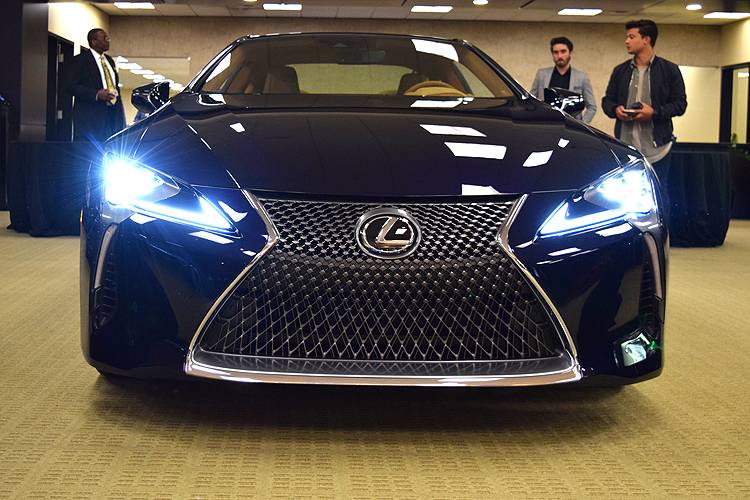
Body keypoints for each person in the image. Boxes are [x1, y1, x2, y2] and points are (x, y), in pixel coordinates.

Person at [601, 19, 687, 190]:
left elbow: (680, 104)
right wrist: (615, 110)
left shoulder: (670, 70)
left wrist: (654, 112)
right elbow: (607, 101)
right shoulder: (620, 71)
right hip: (625, 147)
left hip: (659, 149)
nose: (626, 41)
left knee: (658, 193)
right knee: (624, 194)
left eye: (631, 37)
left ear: (646, 39)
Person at [66, 29, 126, 142]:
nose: (108, 41)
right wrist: (96, 94)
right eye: (104, 38)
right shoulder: (81, 60)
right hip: (91, 120)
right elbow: (71, 86)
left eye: (108, 38)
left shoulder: (109, 61)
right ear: (94, 41)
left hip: (111, 117)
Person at [531, 37, 597, 124]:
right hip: (546, 123)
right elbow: (531, 101)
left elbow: (592, 106)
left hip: (571, 125)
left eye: (563, 51)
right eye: (556, 52)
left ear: (570, 52)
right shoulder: (542, 75)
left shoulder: (582, 77)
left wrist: (581, 124)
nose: (560, 56)